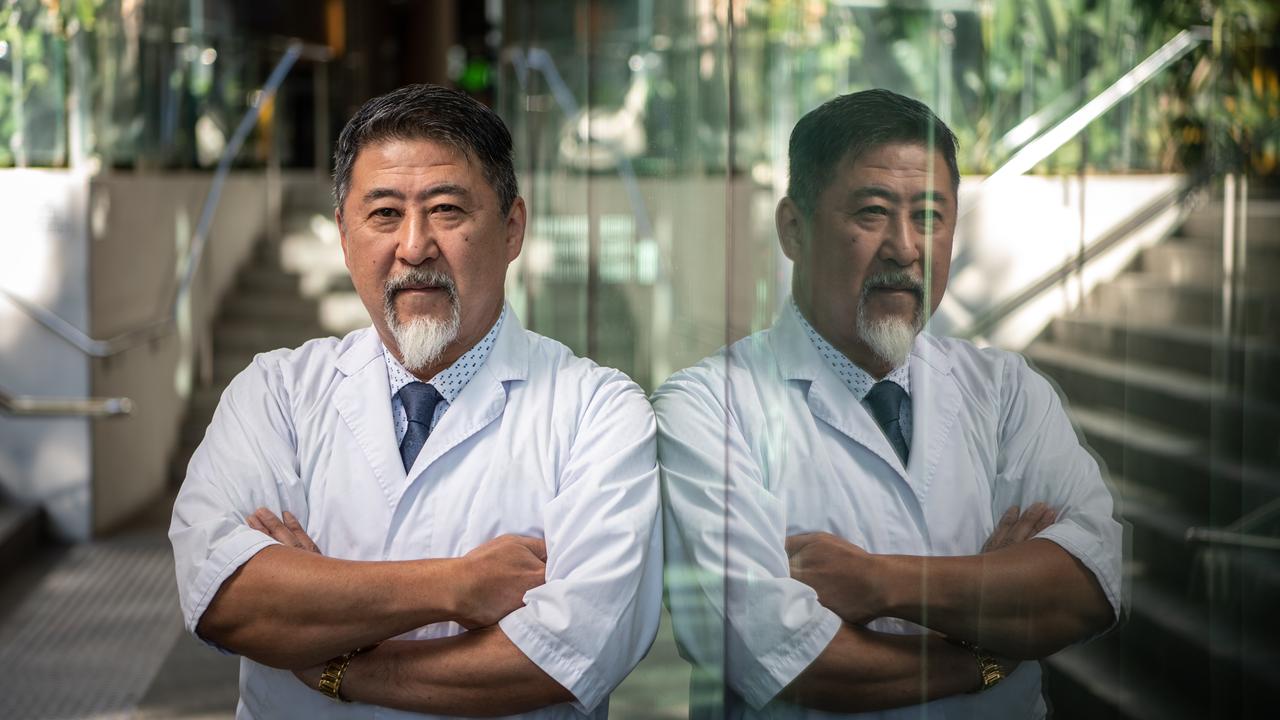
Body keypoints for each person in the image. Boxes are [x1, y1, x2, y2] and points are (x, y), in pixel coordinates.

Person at [169, 84, 662, 719]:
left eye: (447, 210)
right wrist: (458, 586)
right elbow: (227, 599)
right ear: (345, 238)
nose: (413, 246)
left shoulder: (599, 411)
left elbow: (566, 656)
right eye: (382, 214)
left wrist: (332, 664)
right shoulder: (276, 393)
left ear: (512, 228)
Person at [654, 89, 1121, 718]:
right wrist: (989, 650)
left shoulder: (1006, 391)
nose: (906, 247)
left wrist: (880, 583)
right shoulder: (709, 407)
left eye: (931, 216)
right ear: (794, 229)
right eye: (872, 213)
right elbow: (790, 660)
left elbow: (1083, 593)